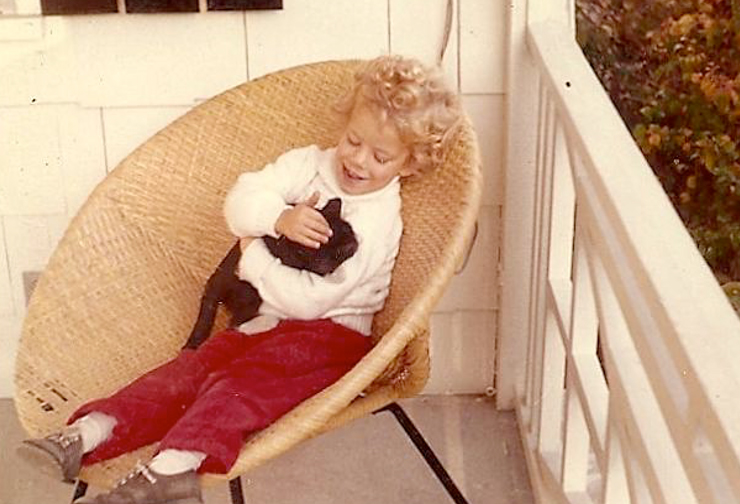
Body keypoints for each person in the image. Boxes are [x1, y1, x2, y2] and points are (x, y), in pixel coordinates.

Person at [21, 54, 462, 504]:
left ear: (409, 165)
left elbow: (308, 305)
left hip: (329, 339)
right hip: (265, 322)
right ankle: (89, 433)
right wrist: (277, 216)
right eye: (353, 140)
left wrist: (254, 259)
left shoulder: (379, 221)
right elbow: (240, 200)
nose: (357, 159)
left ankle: (171, 468)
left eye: (380, 156)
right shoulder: (310, 164)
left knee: (238, 388)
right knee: (189, 372)